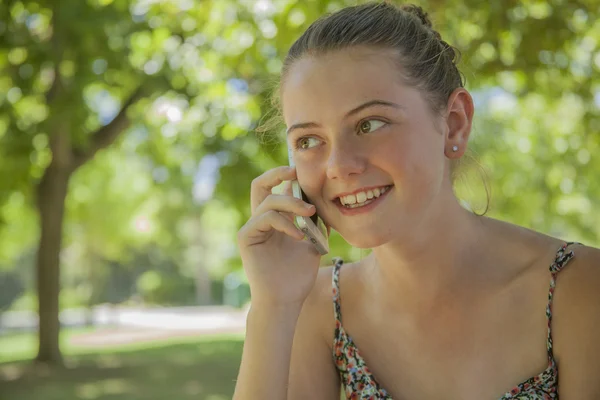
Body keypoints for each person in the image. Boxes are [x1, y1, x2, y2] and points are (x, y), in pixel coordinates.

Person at [233, 2, 600, 399]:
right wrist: (272, 307)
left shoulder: (578, 289)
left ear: (454, 123)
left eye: (369, 124)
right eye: (308, 141)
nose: (338, 166)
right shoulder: (317, 306)